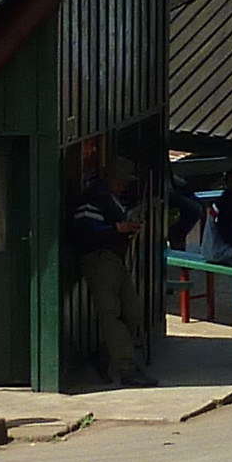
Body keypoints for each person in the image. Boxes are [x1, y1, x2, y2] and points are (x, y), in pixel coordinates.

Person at [70, 156, 156, 387]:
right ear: (108, 177)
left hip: (116, 260)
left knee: (132, 313)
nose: (123, 185)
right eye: (120, 181)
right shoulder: (93, 198)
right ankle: (126, 369)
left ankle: (106, 357)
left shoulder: (112, 198)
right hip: (99, 259)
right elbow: (85, 231)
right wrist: (117, 229)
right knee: (111, 314)